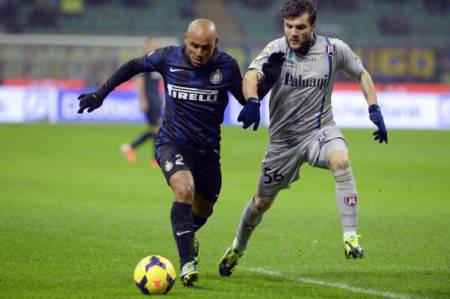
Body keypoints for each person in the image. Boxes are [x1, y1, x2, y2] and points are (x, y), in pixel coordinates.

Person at [77, 18, 274, 287]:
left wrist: (253, 100)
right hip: (172, 142)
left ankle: (188, 234)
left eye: (205, 47)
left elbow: (244, 96)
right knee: (184, 189)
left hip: (207, 151)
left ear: (215, 44)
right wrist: (101, 94)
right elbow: (134, 66)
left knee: (204, 210)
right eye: (194, 46)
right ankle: (186, 263)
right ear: (185, 39)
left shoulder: (226, 66)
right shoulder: (168, 57)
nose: (199, 53)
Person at [218, 0, 388, 277]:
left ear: (314, 26)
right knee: (261, 202)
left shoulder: (334, 49)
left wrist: (374, 107)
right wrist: (251, 101)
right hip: (283, 143)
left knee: (342, 161)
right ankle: (237, 247)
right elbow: (250, 75)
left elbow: (362, 73)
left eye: (299, 27)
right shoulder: (276, 49)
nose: (293, 33)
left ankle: (351, 237)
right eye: (288, 27)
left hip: (320, 131)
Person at [121, 38, 163, 167]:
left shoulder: (158, 62)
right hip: (149, 99)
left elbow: (157, 82)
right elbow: (139, 81)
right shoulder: (145, 61)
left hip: (155, 98)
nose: (156, 47)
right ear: (148, 46)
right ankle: (154, 159)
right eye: (154, 45)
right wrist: (142, 100)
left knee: (156, 129)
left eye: (157, 45)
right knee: (157, 129)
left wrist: (160, 98)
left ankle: (131, 147)